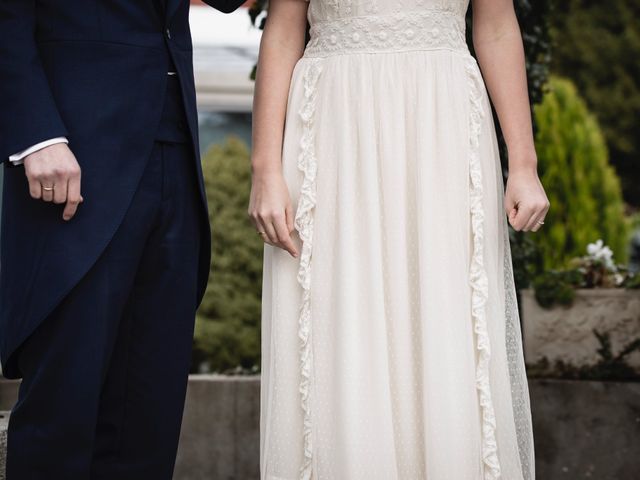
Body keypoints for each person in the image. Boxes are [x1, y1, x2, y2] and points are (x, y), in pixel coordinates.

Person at [250, 0, 547, 478]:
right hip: (332, 127)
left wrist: (525, 165)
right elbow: (283, 31)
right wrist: (265, 169)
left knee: (446, 317)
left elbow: (495, 26)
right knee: (340, 316)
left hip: (442, 126)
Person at [0, 0, 245, 478]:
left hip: (174, 149)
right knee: (62, 409)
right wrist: (36, 133)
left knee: (148, 417)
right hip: (72, 156)